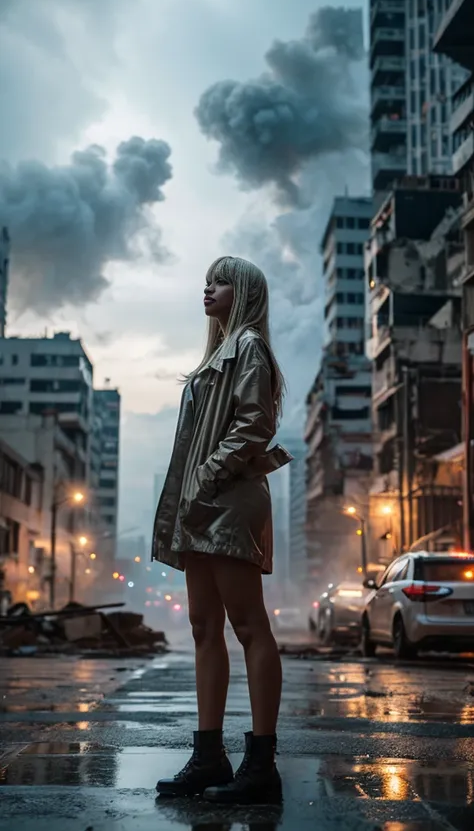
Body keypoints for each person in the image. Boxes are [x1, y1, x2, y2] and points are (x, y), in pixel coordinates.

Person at [152, 255, 292, 805]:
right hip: (202, 504)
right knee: (203, 627)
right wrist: (193, 494)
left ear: (245, 291)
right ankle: (209, 757)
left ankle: (262, 764)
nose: (206, 288)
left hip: (226, 501)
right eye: (207, 280)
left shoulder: (249, 347)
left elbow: (254, 425)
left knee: (249, 624)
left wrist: (206, 478)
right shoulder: (218, 354)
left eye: (219, 282)